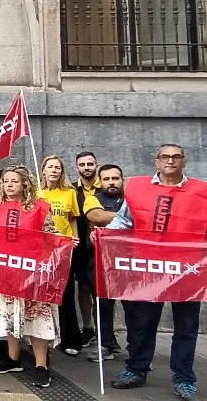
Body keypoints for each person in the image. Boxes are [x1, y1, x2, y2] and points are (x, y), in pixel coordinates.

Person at [87, 144, 207, 400]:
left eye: (176, 157)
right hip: (148, 269)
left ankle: (184, 379)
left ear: (184, 161)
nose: (171, 161)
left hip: (187, 270)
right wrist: (106, 237)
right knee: (142, 324)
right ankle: (136, 369)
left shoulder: (201, 191)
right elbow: (122, 220)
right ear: (157, 161)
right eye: (166, 157)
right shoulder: (138, 188)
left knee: (186, 326)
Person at [0, 166, 67, 389]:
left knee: (36, 318)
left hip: (33, 273)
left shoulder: (40, 208)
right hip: (5, 272)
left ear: (24, 184)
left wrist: (66, 241)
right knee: (10, 316)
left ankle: (41, 365)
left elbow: (52, 233)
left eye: (14, 181)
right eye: (5, 181)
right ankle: (13, 358)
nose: (9, 185)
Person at [38, 155, 83, 357]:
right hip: (42, 249)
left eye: (58, 167)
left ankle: (70, 338)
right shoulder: (37, 193)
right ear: (44, 170)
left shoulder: (69, 193)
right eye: (50, 167)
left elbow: (72, 220)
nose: (54, 170)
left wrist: (74, 240)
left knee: (65, 295)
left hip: (64, 250)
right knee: (42, 295)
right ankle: (42, 337)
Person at [82, 164, 125, 362]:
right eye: (107, 179)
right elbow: (95, 215)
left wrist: (111, 221)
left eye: (115, 178)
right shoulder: (93, 198)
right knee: (102, 304)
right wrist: (130, 218)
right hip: (100, 260)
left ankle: (136, 350)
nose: (112, 182)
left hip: (128, 261)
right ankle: (105, 345)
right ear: (101, 181)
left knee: (134, 306)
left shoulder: (132, 199)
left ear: (122, 179)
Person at [73, 151, 99, 350]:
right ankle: (88, 327)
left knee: (101, 290)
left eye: (90, 163)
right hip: (81, 245)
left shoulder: (106, 186)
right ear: (77, 168)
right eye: (82, 164)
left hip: (102, 247)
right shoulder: (72, 190)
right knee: (83, 287)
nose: (87, 167)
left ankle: (103, 329)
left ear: (96, 165)